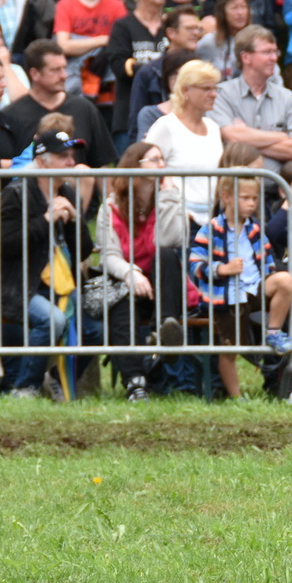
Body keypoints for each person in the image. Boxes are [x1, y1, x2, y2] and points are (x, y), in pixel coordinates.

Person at [0, 128, 102, 398]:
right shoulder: (16, 193)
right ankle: (25, 386)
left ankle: (53, 378)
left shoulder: (68, 192)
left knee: (97, 331)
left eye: (71, 156)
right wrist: (46, 220)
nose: (70, 162)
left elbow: (85, 251)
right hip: (20, 285)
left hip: (61, 284)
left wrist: (75, 221)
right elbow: (7, 245)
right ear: (41, 160)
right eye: (62, 156)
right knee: (52, 320)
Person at [188, 174, 292, 399]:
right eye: (245, 198)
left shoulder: (255, 229)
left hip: (253, 288)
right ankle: (237, 397)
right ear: (227, 197)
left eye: (255, 198)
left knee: (285, 280)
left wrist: (269, 274)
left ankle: (273, 331)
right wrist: (221, 269)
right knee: (230, 349)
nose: (251, 204)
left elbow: (267, 261)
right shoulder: (211, 229)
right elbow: (194, 265)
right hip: (226, 295)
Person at [101, 142, 191, 401]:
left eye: (163, 159)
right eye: (154, 159)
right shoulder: (110, 206)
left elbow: (174, 241)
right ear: (134, 165)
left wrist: (169, 198)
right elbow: (109, 255)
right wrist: (131, 274)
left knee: (164, 254)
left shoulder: (170, 197)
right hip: (130, 281)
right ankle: (135, 382)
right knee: (120, 302)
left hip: (164, 287)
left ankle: (166, 330)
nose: (161, 165)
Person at [4, 40, 117, 169]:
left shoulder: (84, 108)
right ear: (35, 74)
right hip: (29, 188)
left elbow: (103, 164)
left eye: (64, 68)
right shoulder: (12, 115)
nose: (64, 75)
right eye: (55, 70)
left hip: (80, 188)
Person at [208, 27, 292, 171]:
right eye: (267, 52)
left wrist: (246, 135)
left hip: (278, 188)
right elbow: (232, 137)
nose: (274, 58)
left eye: (275, 51)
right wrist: (281, 136)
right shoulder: (222, 94)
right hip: (237, 188)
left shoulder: (288, 98)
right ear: (245, 57)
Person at [145, 60, 225, 226]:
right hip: (177, 224)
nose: (213, 94)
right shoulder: (165, 126)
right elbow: (145, 171)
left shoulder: (213, 128)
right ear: (185, 90)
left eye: (215, 88)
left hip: (210, 223)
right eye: (206, 88)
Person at [99, 0, 171, 136]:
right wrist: (162, 69)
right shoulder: (123, 26)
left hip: (169, 116)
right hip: (129, 116)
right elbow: (120, 68)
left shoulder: (171, 26)